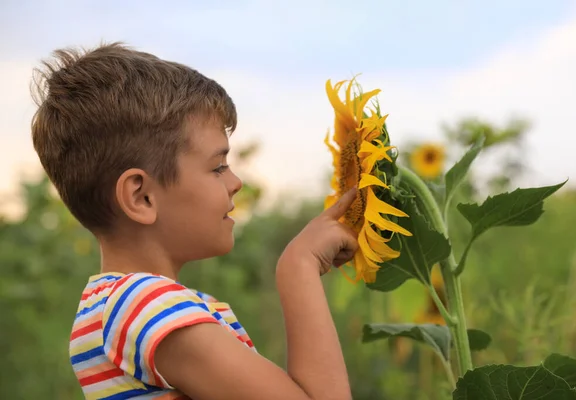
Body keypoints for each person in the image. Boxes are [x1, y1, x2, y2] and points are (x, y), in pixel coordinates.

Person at [30, 42, 358, 400]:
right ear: (141, 197)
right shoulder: (146, 305)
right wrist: (299, 267)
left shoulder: (112, 308)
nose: (236, 182)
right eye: (218, 167)